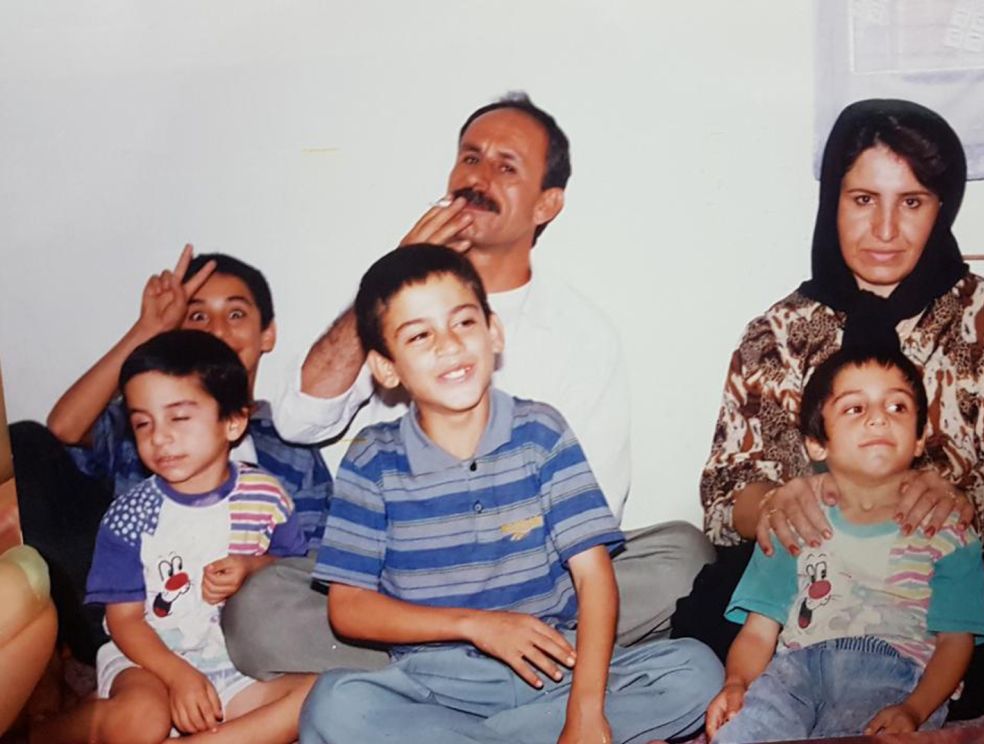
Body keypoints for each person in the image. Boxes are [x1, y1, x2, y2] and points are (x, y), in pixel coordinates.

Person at [232, 92, 713, 679]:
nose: (479, 178)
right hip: (401, 580)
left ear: (547, 204)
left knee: (683, 558)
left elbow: (596, 513)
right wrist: (391, 276)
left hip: (535, 580)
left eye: (507, 167)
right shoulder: (390, 305)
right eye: (470, 158)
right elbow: (300, 419)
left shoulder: (580, 334)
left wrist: (496, 593)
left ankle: (459, 674)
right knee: (258, 612)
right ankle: (508, 668)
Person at [677, 98, 984, 720]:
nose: (885, 229)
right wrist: (772, 504)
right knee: (707, 607)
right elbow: (724, 497)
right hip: (809, 589)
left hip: (934, 589)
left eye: (911, 202)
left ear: (942, 207)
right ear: (833, 202)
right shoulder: (776, 331)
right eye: (863, 200)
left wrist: (954, 497)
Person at [298, 245, 722, 744]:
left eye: (463, 323)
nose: (448, 346)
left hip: (555, 668)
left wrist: (585, 713)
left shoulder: (540, 432)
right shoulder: (373, 458)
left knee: (697, 671)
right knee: (333, 706)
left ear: (493, 332)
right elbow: (347, 608)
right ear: (386, 368)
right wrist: (477, 625)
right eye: (419, 335)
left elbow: (593, 577)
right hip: (437, 683)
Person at [11, 247, 333, 668]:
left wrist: (249, 570)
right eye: (198, 316)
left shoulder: (290, 444)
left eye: (235, 315)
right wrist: (146, 329)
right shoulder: (150, 424)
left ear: (266, 334)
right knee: (24, 441)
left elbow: (308, 562)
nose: (216, 329)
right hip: (126, 611)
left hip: (237, 625)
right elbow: (63, 429)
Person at [32, 331, 315, 743]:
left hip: (235, 662)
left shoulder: (267, 496)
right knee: (144, 718)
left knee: (321, 694)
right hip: (147, 660)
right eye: (142, 423)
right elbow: (123, 621)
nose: (159, 437)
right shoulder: (132, 514)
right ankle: (47, 733)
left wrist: (253, 566)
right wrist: (178, 675)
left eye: (179, 418)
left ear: (233, 421)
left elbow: (295, 574)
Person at [705, 346, 984, 743]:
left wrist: (915, 708)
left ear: (921, 438)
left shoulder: (948, 529)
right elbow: (759, 631)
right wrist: (736, 683)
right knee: (749, 726)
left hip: (895, 676)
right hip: (795, 671)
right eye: (855, 409)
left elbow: (956, 642)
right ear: (817, 444)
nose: (878, 418)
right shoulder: (792, 520)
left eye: (898, 407)